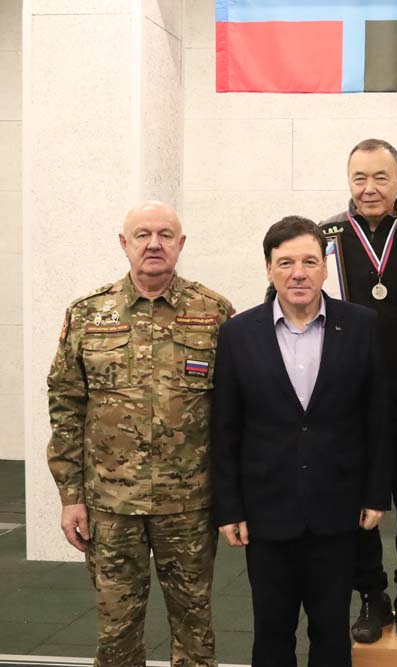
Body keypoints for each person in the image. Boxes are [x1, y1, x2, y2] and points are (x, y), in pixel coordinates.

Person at [46, 200, 233, 667]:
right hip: (111, 505)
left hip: (189, 504)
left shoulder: (214, 312)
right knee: (116, 633)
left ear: (181, 243)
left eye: (165, 235)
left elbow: (235, 411)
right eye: (142, 235)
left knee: (194, 630)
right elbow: (66, 405)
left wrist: (232, 498)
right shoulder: (89, 313)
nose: (154, 244)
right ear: (124, 243)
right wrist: (71, 497)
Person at [211, 216, 391, 667]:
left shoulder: (362, 325)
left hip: (337, 507)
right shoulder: (237, 334)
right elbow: (225, 428)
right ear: (269, 269)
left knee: (331, 631)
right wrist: (229, 507)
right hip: (266, 511)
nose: (298, 273)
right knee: (272, 633)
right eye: (286, 262)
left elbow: (378, 418)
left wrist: (376, 494)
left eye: (310, 261)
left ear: (325, 267)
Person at [318, 138, 397, 643]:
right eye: (360, 177)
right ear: (348, 181)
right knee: (355, 501)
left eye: (381, 177)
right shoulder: (323, 239)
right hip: (347, 401)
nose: (370, 188)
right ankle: (370, 594)